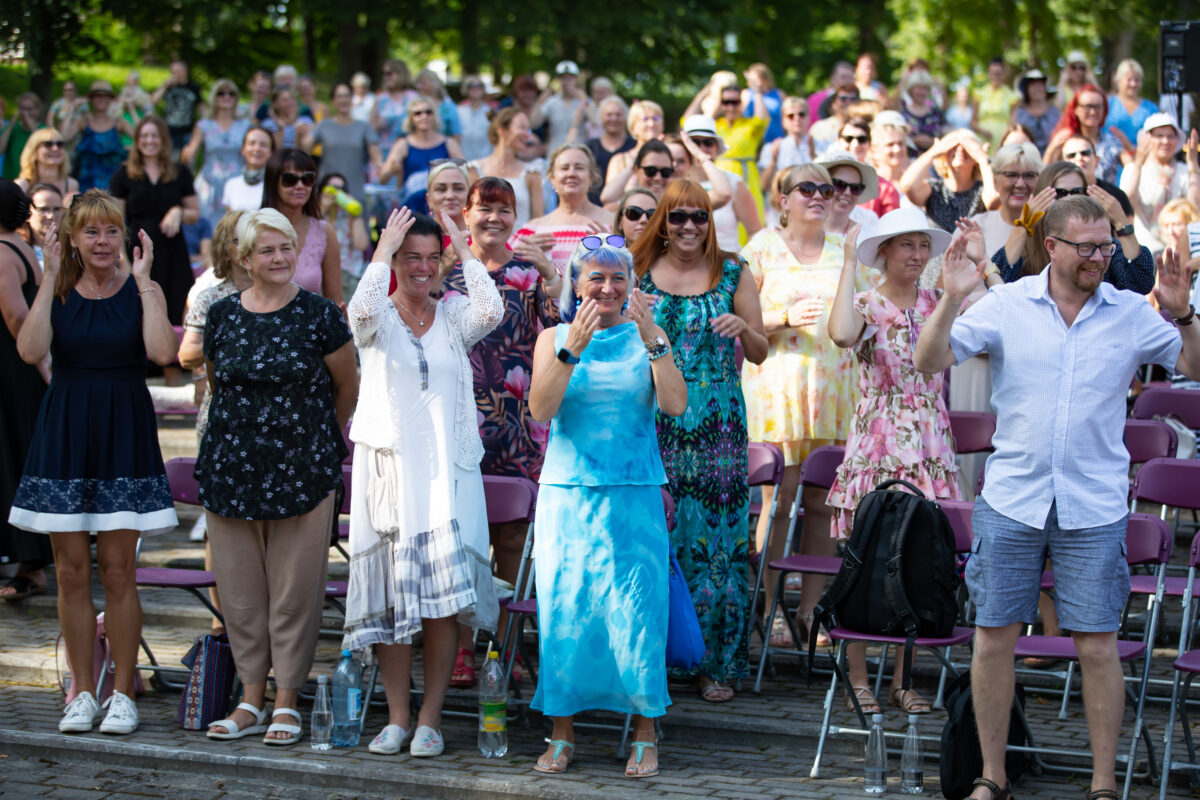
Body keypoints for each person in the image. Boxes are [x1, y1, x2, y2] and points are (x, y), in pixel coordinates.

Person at [912, 193, 1200, 800]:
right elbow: (927, 360)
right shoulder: (1008, 304)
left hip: (1093, 506)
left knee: (1097, 644)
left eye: (1105, 245)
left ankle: (1101, 786)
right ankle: (991, 776)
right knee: (994, 637)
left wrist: (1183, 316)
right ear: (1053, 246)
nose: (1101, 257)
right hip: (1014, 498)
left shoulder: (1128, 310)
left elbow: (1193, 364)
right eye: (1088, 247)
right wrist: (951, 296)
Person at [11, 188, 178, 734]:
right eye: (91, 232)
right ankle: (82, 692)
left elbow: (160, 352)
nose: (102, 241)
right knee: (69, 572)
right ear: (73, 240)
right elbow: (31, 351)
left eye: (111, 231)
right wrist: (46, 278)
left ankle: (123, 693)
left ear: (124, 237)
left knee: (120, 569)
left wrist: (148, 281)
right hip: (65, 431)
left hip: (123, 430)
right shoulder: (56, 288)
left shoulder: (139, 288)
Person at [526, 234, 687, 778]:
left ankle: (645, 733)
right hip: (568, 496)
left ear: (632, 288)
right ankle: (561, 733)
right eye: (596, 276)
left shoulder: (651, 336)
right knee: (567, 612)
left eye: (618, 278)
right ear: (576, 284)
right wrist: (573, 346)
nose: (608, 287)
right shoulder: (553, 337)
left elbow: (675, 405)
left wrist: (652, 340)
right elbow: (541, 409)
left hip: (632, 495)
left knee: (637, 614)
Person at [198, 208, 357, 746]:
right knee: (240, 595)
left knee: (294, 594)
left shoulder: (320, 315)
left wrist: (316, 439)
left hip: (304, 471)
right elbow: (218, 384)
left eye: (287, 248)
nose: (280, 258)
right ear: (244, 259)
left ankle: (286, 700)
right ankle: (249, 700)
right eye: (267, 250)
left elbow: (347, 388)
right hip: (231, 469)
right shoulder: (221, 316)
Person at [343, 207, 499, 756]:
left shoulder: (455, 315)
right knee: (390, 600)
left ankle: (430, 718)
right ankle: (397, 716)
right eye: (414, 257)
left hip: (446, 476)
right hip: (389, 473)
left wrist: (462, 243)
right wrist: (382, 252)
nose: (424, 268)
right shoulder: (378, 316)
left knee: (439, 604)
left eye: (433, 259)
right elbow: (354, 313)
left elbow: (493, 308)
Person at [632, 179, 767, 702]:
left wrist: (744, 328)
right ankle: (657, 657)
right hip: (653, 420)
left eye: (699, 217)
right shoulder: (639, 274)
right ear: (662, 223)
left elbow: (759, 351)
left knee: (717, 545)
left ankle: (715, 663)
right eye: (678, 217)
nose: (689, 227)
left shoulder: (734, 271)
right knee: (657, 536)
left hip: (718, 428)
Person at [826, 207, 961, 714]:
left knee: (923, 562)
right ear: (883, 251)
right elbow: (841, 334)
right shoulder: (866, 301)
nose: (918, 254)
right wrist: (846, 262)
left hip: (929, 440)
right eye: (907, 245)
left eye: (923, 245)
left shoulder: (937, 301)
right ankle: (859, 679)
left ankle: (904, 680)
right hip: (879, 440)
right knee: (866, 556)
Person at [741, 163, 876, 647]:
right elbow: (737, 315)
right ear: (783, 199)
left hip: (838, 390)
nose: (821, 195)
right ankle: (769, 605)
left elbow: (868, 312)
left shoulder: (848, 250)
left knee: (823, 501)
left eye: (829, 188)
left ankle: (810, 608)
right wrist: (781, 317)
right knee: (776, 502)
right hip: (777, 389)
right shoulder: (759, 248)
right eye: (809, 188)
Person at [441, 177, 560, 685]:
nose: (493, 219)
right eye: (484, 209)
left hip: (516, 419)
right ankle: (461, 648)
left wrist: (553, 276)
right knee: (461, 535)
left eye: (504, 210)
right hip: (457, 417)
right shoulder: (443, 274)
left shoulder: (528, 274)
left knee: (511, 534)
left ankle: (504, 647)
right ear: (465, 213)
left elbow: (558, 333)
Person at [175, 210, 247, 619]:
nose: (246, 247)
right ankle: (222, 625)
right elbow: (186, 354)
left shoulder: (284, 294)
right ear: (225, 246)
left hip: (273, 425)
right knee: (218, 525)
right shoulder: (212, 296)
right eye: (237, 239)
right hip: (221, 420)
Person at [0, 181, 51, 601]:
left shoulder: (2, 252)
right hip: (19, 371)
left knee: (12, 461)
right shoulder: (18, 248)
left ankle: (31, 565)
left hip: (12, 372)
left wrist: (44, 366)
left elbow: (18, 319)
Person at [994, 160, 1153, 293]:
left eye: (1077, 191)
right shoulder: (1025, 249)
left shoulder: (1102, 247)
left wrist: (1121, 222)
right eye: (1060, 193)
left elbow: (1139, 285)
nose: (1069, 199)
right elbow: (998, 285)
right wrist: (1024, 225)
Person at [108, 115, 199, 327]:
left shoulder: (180, 172)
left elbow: (194, 213)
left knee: (176, 307)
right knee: (139, 308)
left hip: (173, 251)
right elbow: (116, 222)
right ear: (137, 140)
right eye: (144, 136)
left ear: (164, 140)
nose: (149, 141)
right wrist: (123, 260)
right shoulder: (123, 174)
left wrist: (178, 211)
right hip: (137, 250)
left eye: (155, 136)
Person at [261, 148, 344, 306]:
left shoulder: (324, 232)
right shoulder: (254, 229)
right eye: (290, 179)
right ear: (273, 182)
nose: (300, 186)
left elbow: (335, 303)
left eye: (307, 179)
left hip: (311, 329)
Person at [513, 143, 612, 276]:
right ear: (552, 179)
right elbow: (506, 269)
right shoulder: (532, 229)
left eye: (579, 168)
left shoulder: (613, 223)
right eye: (564, 168)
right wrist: (523, 254)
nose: (571, 173)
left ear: (591, 177)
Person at [667, 127, 758, 250]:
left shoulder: (732, 181)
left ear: (717, 147)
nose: (702, 148)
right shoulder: (676, 186)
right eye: (695, 143)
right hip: (690, 264)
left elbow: (755, 231)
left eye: (708, 143)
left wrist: (745, 263)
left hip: (728, 263)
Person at [181, 79, 251, 227]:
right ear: (214, 97)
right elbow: (191, 151)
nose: (226, 97)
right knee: (208, 226)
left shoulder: (245, 125)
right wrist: (188, 154)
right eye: (221, 93)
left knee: (237, 226)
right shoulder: (204, 125)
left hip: (237, 179)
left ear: (236, 98)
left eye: (231, 94)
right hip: (210, 182)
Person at [1120, 113, 1194, 253]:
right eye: (1159, 136)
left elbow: (1193, 208)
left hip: (1180, 249)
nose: (1166, 141)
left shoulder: (1184, 171)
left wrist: (1194, 166)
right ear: (1147, 140)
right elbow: (1127, 202)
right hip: (1145, 247)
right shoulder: (1133, 169)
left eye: (1171, 136)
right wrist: (1139, 162)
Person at [899, 129, 993, 232]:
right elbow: (908, 186)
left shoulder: (984, 190)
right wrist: (933, 152)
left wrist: (983, 160)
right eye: (954, 147)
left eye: (967, 147)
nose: (960, 150)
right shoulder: (935, 189)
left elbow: (994, 200)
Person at [304, 83, 383, 202]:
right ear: (332, 100)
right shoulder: (323, 125)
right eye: (339, 96)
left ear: (352, 99)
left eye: (347, 96)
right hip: (328, 190)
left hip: (355, 190)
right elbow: (304, 149)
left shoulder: (363, 127)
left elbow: (377, 160)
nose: (344, 100)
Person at [468, 108, 544, 228]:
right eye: (521, 127)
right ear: (502, 130)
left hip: (520, 244)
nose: (527, 134)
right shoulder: (473, 170)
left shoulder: (532, 173)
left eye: (528, 129)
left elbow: (538, 222)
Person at [380, 96, 465, 203]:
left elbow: (465, 174)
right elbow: (383, 178)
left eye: (428, 112)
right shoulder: (403, 144)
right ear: (411, 118)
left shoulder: (449, 143)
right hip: (412, 205)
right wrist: (391, 171)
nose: (424, 116)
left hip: (442, 204)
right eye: (418, 113)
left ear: (435, 115)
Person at [969, 142, 1044, 255]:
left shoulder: (1050, 228)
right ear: (995, 181)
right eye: (1011, 175)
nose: (1020, 184)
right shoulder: (974, 229)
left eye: (1029, 175)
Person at [61, 83, 133, 195]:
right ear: (91, 99)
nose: (101, 99)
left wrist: (131, 108)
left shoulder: (119, 123)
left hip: (113, 184)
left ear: (111, 100)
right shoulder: (83, 122)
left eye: (105, 96)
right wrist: (72, 109)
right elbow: (64, 137)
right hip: (86, 183)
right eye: (97, 96)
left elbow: (140, 136)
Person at [1044, 85, 1125, 183]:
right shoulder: (1064, 139)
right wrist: (1051, 148)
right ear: (1076, 109)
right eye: (1088, 106)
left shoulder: (1112, 140)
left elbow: (1131, 167)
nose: (1093, 112)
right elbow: (1044, 174)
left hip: (1104, 196)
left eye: (1098, 106)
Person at [758, 96, 816, 217]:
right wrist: (773, 161)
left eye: (802, 114)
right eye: (790, 116)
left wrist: (814, 155)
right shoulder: (772, 148)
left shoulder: (821, 145)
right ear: (783, 121)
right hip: (781, 213)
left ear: (809, 117)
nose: (797, 119)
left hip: (812, 209)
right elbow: (764, 186)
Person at [318, 173, 368, 298]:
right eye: (334, 188)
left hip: (347, 278)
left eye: (343, 189)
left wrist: (355, 214)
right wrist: (323, 208)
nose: (338, 193)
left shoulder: (350, 217)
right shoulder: (317, 215)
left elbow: (361, 245)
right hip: (321, 277)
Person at [1061, 133, 1133, 216]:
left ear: (1097, 160)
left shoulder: (1115, 196)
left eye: (1085, 153)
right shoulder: (1055, 195)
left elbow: (1130, 227)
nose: (1079, 158)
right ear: (1061, 164)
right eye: (1071, 155)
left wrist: (1118, 218)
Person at [603, 100, 664, 195]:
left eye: (655, 118)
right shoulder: (619, 161)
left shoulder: (673, 157)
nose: (651, 124)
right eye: (645, 119)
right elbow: (608, 199)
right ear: (633, 127)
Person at [816, 149, 880, 234]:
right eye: (839, 184)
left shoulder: (866, 236)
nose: (848, 192)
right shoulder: (802, 230)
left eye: (855, 188)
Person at [585, 97, 635, 202]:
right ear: (601, 117)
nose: (613, 119)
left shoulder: (633, 145)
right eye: (609, 115)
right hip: (593, 204)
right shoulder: (590, 146)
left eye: (618, 115)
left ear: (626, 117)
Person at [530, 60, 588, 151]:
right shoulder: (551, 102)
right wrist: (540, 101)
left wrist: (584, 100)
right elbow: (534, 124)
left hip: (579, 152)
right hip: (555, 151)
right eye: (563, 78)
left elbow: (596, 122)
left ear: (576, 79)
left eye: (570, 78)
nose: (566, 82)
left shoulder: (584, 101)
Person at [1105, 59, 1158, 151]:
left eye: (1137, 80)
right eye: (1129, 80)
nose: (1133, 84)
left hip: (1143, 157)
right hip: (1111, 157)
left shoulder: (1150, 108)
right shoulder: (1107, 104)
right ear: (1118, 81)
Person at [152, 61, 203, 155]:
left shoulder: (193, 87)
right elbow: (154, 101)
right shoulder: (168, 87)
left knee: (187, 161)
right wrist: (165, 86)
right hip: (169, 131)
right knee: (170, 161)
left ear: (185, 71)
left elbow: (201, 108)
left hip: (188, 131)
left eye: (177, 72)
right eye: (173, 72)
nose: (175, 75)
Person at [220, 125, 274, 213]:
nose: (257, 149)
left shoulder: (277, 185)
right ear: (243, 149)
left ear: (271, 152)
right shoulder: (231, 185)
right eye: (252, 143)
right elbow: (229, 224)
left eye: (263, 145)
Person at [15, 128, 79, 199]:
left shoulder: (71, 185)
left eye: (60, 144)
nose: (55, 148)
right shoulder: (22, 185)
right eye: (48, 144)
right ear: (34, 151)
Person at [371, 59, 417, 157]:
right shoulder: (380, 98)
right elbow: (370, 130)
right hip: (383, 154)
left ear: (401, 73)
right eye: (384, 74)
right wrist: (378, 125)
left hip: (407, 153)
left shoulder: (413, 97)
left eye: (389, 73)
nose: (386, 77)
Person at [976, 58, 1020, 154]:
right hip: (982, 139)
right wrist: (982, 131)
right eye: (992, 73)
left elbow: (1012, 123)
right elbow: (973, 122)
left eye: (998, 73)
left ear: (1004, 74)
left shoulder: (1012, 96)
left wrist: (1003, 139)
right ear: (988, 74)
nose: (995, 76)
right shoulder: (979, 94)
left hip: (1003, 139)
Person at [1012, 70, 1060, 155]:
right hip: (1025, 159)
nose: (1037, 88)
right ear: (1027, 90)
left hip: (1053, 159)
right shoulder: (1019, 113)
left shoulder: (1055, 112)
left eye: (1040, 85)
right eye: (1033, 85)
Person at [899, 70, 947, 152]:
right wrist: (914, 141)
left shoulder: (936, 113)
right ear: (910, 90)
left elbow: (947, 135)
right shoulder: (903, 114)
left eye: (925, 88)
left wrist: (933, 142)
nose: (922, 92)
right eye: (919, 88)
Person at [0, 94, 45, 182]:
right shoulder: (12, 128)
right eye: (22, 109)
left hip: (34, 179)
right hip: (10, 179)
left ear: (37, 110)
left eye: (29, 109)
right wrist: (10, 126)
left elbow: (42, 146)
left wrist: (31, 125)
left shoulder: (43, 130)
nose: (25, 113)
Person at [23, 183, 65, 266]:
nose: (51, 216)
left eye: (57, 209)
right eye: (43, 209)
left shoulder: (73, 250)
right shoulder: (19, 250)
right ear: (27, 213)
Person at [742, 63, 786, 143]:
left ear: (766, 78)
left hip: (777, 140)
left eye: (757, 79)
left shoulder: (779, 94)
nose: (755, 83)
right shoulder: (746, 94)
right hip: (753, 141)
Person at [414, 69, 461, 143]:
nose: (418, 86)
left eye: (422, 83)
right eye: (417, 83)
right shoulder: (413, 105)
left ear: (434, 84)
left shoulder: (448, 107)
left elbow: (456, 135)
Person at [457, 75, 493, 161]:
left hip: (486, 161)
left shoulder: (492, 112)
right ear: (466, 89)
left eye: (479, 85)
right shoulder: (459, 111)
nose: (475, 88)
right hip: (463, 161)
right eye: (471, 86)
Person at [46, 81, 87, 150]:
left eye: (70, 90)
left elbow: (88, 117)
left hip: (76, 134)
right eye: (66, 90)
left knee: (79, 119)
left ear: (75, 91)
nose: (68, 92)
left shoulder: (81, 103)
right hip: (61, 132)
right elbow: (50, 118)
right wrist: (53, 132)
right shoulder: (58, 103)